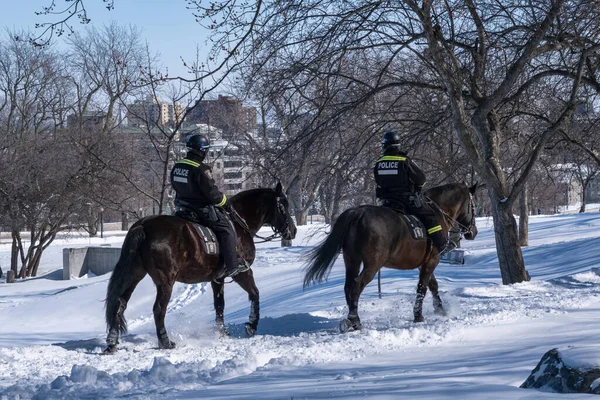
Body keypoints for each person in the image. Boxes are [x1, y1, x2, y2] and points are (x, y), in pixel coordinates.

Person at [170, 134, 249, 279]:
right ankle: (232, 266)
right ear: (202, 151)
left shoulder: (178, 166)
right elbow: (213, 195)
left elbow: (175, 185)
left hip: (182, 208)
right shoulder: (201, 169)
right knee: (227, 230)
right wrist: (225, 202)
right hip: (200, 210)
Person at [374, 131, 454, 256]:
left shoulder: (379, 162)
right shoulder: (404, 160)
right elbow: (421, 179)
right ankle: (442, 244)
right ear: (397, 145)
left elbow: (378, 182)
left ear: (384, 145)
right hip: (405, 200)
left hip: (386, 202)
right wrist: (416, 189)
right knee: (430, 217)